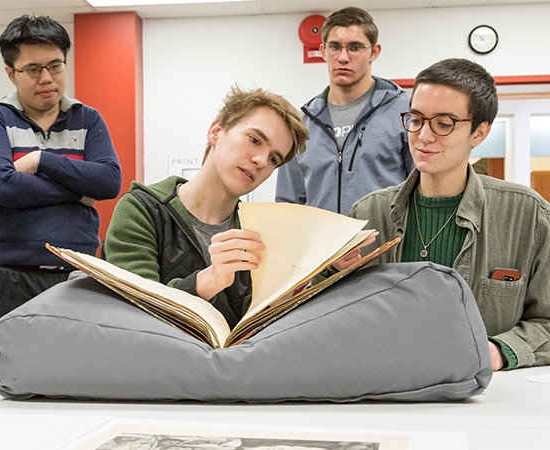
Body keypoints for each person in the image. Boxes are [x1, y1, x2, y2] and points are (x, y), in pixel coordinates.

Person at [346, 58, 550, 371]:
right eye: (416, 119)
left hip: (483, 398)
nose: (423, 136)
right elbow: (338, 318)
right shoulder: (368, 213)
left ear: (479, 133)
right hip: (384, 388)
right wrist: (328, 274)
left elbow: (546, 323)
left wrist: (497, 350)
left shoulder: (527, 215)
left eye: (443, 124)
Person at [104, 86, 309, 328]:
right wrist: (208, 280)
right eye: (254, 140)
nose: (261, 161)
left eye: (274, 159)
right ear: (216, 131)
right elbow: (136, 314)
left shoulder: (258, 235)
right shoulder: (142, 210)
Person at [0, 15, 122, 343]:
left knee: (79, 374)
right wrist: (79, 191)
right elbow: (3, 186)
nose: (47, 78)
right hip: (10, 277)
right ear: (10, 72)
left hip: (77, 274)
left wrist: (43, 161)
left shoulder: (88, 119)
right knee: (11, 377)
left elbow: (110, 182)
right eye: (33, 69)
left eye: (55, 65)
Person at [276, 6, 413, 215]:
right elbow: (288, 204)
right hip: (321, 247)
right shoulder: (302, 122)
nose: (343, 57)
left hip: (385, 245)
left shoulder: (405, 112)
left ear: (374, 52)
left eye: (355, 47)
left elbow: (423, 190)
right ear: (323, 51)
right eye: (335, 47)